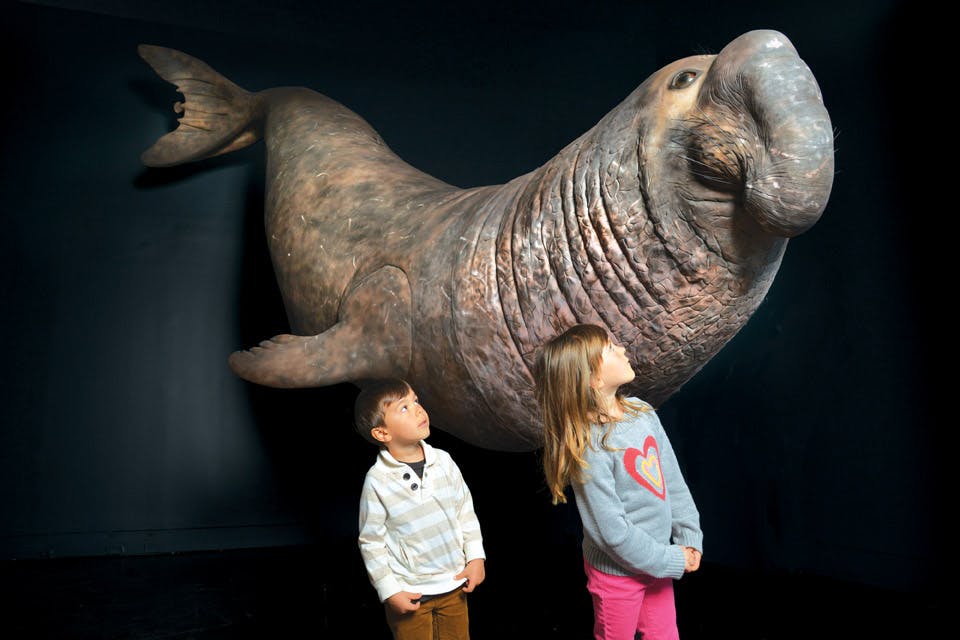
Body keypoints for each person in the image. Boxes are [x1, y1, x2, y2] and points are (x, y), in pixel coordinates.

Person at [534, 324, 703, 640]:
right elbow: (612, 534)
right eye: (610, 349)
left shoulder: (642, 413)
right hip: (617, 577)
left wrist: (688, 535)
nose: (623, 349)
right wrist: (669, 559)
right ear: (594, 380)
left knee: (665, 635)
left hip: (657, 564)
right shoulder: (590, 447)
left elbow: (672, 480)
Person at [355, 378, 486, 640]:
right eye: (403, 408)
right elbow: (371, 541)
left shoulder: (444, 462)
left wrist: (475, 557)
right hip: (410, 591)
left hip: (453, 584)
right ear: (383, 433)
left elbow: (464, 512)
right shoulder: (378, 480)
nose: (417, 409)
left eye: (415, 401)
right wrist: (389, 590)